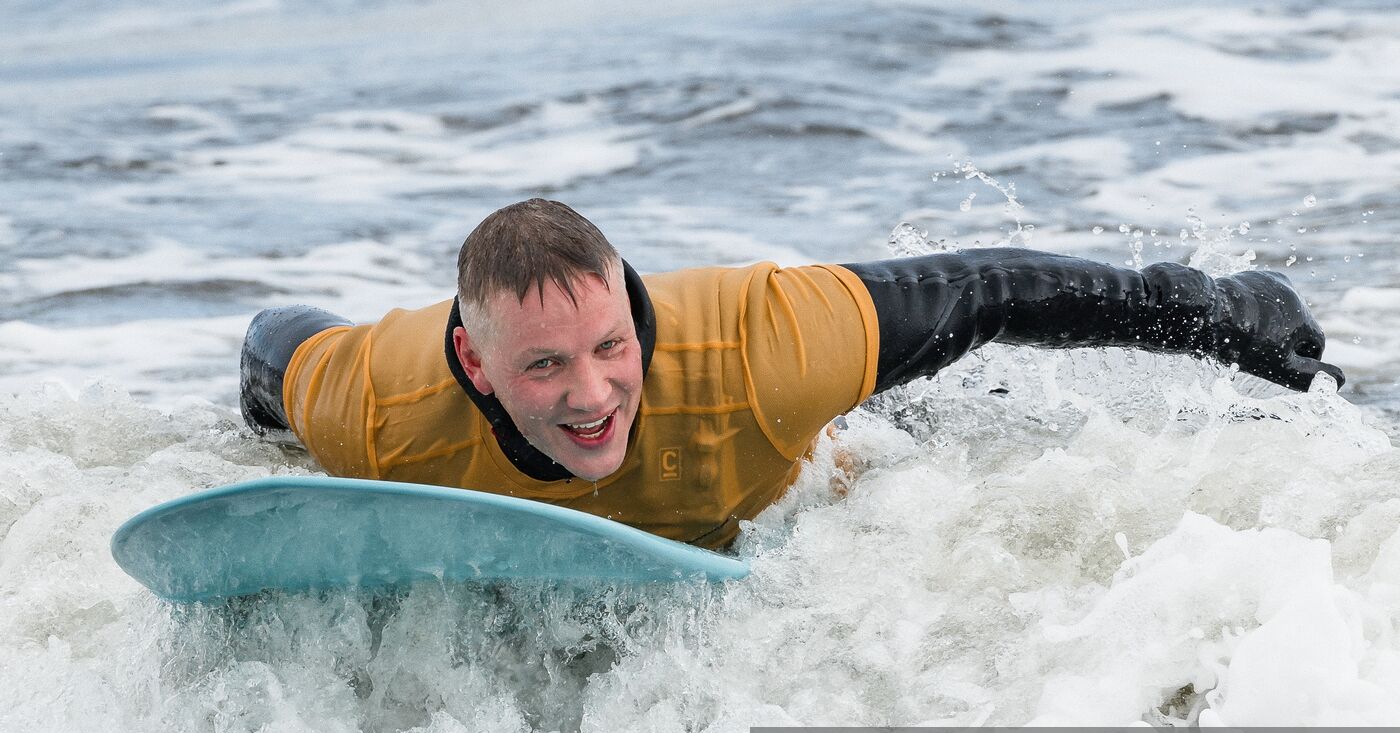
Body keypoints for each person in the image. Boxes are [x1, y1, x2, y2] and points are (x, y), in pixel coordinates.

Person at [240, 198, 1345, 549]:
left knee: (916, 426)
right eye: (543, 366)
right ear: (474, 365)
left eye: (611, 347)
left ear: (637, 318)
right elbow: (270, 341)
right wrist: (254, 430)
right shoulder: (376, 406)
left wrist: (1216, 315)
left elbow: (987, 289)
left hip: (790, 468)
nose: (589, 394)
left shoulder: (761, 345)